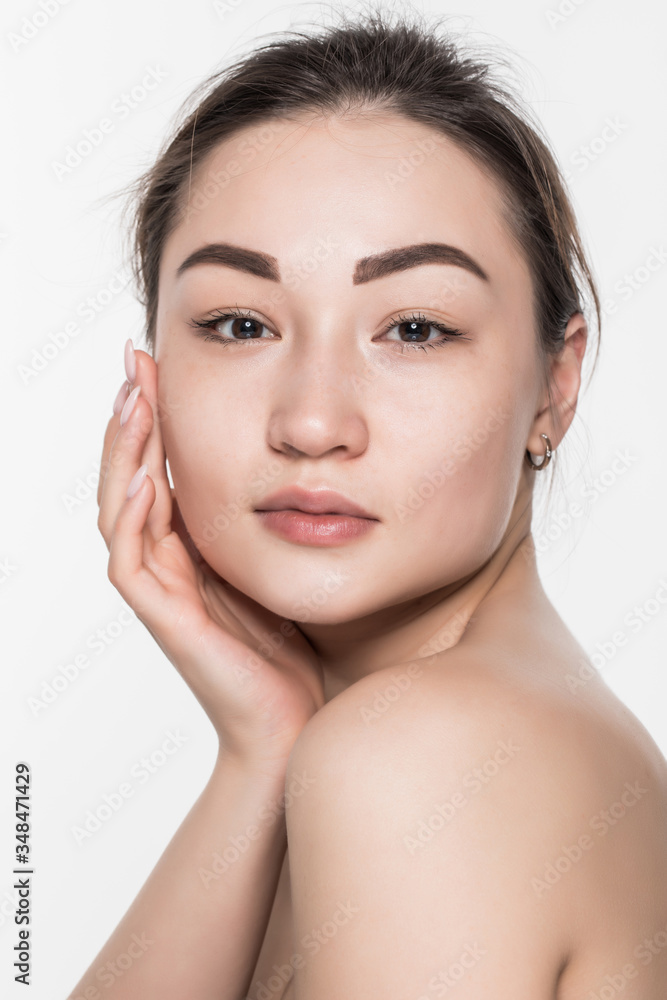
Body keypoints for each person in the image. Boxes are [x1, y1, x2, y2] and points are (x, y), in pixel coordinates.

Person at [70, 7, 667, 999]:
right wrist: (257, 751)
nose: (311, 422)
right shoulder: (517, 729)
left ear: (554, 384)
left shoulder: (422, 756)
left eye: (416, 329)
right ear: (152, 372)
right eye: (240, 322)